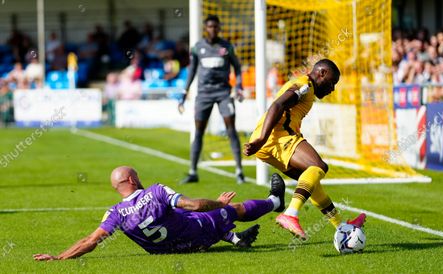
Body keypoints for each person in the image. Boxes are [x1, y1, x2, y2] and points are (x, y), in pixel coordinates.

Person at [33, 166, 286, 260]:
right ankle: (275, 202)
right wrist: (219, 203)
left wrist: (59, 257)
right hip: (196, 238)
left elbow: (90, 241)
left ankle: (235, 238)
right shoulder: (155, 192)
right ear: (132, 179)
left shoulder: (116, 213)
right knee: (233, 209)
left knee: (180, 219)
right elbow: (195, 205)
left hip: (169, 250)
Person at [243, 59, 366, 239]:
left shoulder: (304, 86)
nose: (332, 89)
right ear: (321, 73)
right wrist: (262, 138)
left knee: (310, 182)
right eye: (332, 82)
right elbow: (277, 105)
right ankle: (290, 214)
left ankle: (342, 226)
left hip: (270, 142)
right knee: (319, 167)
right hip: (276, 137)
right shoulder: (304, 87)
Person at [178, 15, 245, 184]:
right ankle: (193, 171)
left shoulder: (227, 47)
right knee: (199, 131)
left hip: (223, 93)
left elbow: (237, 68)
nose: (213, 29)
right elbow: (192, 71)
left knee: (231, 129)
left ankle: (239, 172)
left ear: (219, 28)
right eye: (210, 27)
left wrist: (239, 86)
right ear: (205, 28)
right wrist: (185, 92)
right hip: (204, 95)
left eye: (215, 26)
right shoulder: (197, 48)